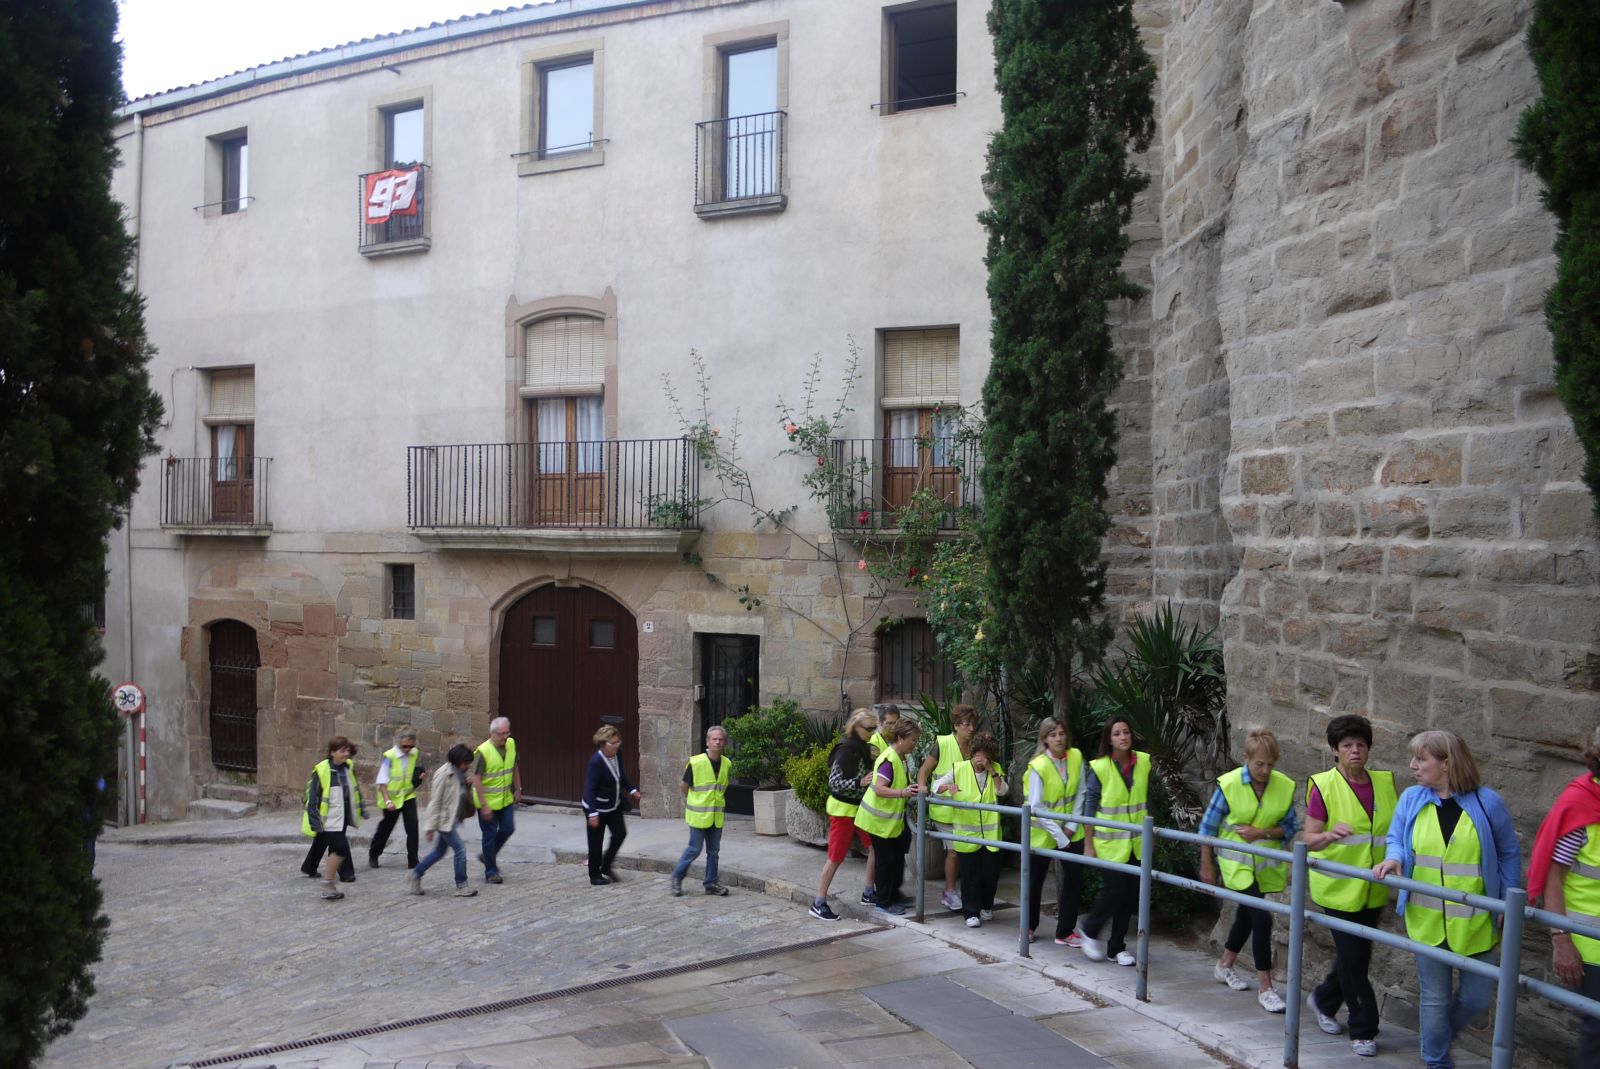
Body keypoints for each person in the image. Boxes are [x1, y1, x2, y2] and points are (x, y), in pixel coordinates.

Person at [1374, 731, 1521, 1069]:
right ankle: (1436, 1060)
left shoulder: (1487, 803)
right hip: (1426, 919)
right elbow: (1397, 837)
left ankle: (1437, 1040)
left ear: (1447, 763)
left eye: (1421, 759)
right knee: (1435, 999)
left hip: (1477, 920)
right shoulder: (1411, 798)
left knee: (1477, 999)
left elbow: (1509, 853)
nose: (1413, 766)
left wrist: (1507, 901)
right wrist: (1394, 858)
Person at [1301, 714, 1396, 1058]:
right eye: (1347, 745)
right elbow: (1308, 839)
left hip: (1373, 888)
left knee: (1357, 956)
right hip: (1338, 889)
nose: (1355, 750)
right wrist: (1329, 835)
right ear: (1334, 750)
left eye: (1360, 744)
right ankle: (1363, 1028)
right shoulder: (1323, 786)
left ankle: (1324, 1000)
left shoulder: (1385, 783)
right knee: (1354, 959)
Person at [1199, 727, 1298, 1015]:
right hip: (1236, 864)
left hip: (1263, 865)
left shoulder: (1283, 785)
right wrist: (1207, 863)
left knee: (1247, 914)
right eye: (1259, 764)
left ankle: (1225, 964)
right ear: (1246, 759)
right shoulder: (1229, 785)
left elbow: (1290, 826)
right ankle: (1266, 987)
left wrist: (1262, 832)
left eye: (1270, 765)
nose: (1265, 770)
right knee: (1262, 919)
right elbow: (1207, 828)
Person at [1526, 725, 1600, 1069]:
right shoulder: (1580, 805)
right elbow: (1552, 875)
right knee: (1597, 1031)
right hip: (1592, 944)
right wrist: (1561, 940)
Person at [1078, 717, 1148, 966]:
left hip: (1136, 842)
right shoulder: (1099, 767)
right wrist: (1088, 843)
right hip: (1109, 843)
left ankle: (1116, 947)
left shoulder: (1143, 762)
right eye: (1117, 733)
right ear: (1109, 739)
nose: (1123, 737)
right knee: (1114, 890)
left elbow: (1146, 800)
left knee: (1129, 896)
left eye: (1126, 732)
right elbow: (1090, 806)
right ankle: (1090, 929)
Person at [810, 708, 879, 920]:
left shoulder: (863, 748)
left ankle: (868, 892)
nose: (872, 732)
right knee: (835, 857)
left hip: (859, 808)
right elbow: (834, 782)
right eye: (869, 728)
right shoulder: (846, 750)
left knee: (875, 847)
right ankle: (818, 902)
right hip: (843, 810)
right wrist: (860, 782)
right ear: (857, 727)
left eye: (874, 728)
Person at [1025, 716, 1087, 947]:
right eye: (1053, 735)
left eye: (1061, 733)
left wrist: (1071, 826)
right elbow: (1036, 806)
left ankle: (1065, 932)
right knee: (1034, 882)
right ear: (1045, 739)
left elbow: (1081, 792)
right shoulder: (1038, 766)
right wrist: (1060, 835)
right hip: (1042, 833)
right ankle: (1028, 927)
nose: (1059, 738)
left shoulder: (1076, 756)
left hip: (1071, 830)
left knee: (1075, 880)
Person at [934, 732, 1007, 928]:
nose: (980, 759)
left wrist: (991, 770)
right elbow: (936, 786)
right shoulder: (959, 768)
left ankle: (986, 905)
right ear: (972, 753)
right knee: (970, 876)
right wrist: (947, 787)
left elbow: (1002, 791)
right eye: (977, 754)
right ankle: (970, 912)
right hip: (966, 833)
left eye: (985, 755)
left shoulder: (995, 769)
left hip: (991, 834)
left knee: (990, 875)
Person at [853, 718, 923, 917]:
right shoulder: (889, 760)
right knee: (886, 861)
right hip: (878, 821)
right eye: (913, 740)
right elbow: (880, 789)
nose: (915, 744)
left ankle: (892, 896)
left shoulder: (900, 758)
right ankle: (883, 902)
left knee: (895, 858)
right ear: (900, 738)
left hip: (889, 821)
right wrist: (903, 792)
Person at [919, 704, 979, 912]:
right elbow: (924, 771)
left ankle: (967, 893)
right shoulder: (943, 743)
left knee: (967, 852)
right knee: (954, 851)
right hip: (944, 809)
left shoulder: (974, 747)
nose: (971, 728)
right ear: (956, 725)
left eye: (973, 724)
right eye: (967, 724)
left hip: (966, 810)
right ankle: (949, 892)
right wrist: (922, 789)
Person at [301, 736, 366, 901]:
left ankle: (313, 870)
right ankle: (333, 881)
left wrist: (362, 808)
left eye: (347, 750)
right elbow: (313, 799)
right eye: (342, 751)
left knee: (329, 844)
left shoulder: (348, 767)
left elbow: (354, 789)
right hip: (328, 820)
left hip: (342, 816)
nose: (346, 754)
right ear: (332, 752)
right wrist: (315, 823)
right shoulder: (322, 770)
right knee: (341, 848)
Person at [408, 743, 477, 897]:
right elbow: (435, 801)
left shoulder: (460, 774)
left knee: (439, 852)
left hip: (452, 820)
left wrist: (467, 787)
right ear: (458, 761)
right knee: (460, 849)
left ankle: (416, 874)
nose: (468, 766)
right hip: (444, 821)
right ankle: (462, 885)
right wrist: (430, 826)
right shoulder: (444, 774)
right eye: (466, 762)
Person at [671, 725, 733, 896]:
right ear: (707, 742)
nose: (717, 742)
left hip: (716, 816)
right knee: (694, 849)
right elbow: (684, 786)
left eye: (721, 739)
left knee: (713, 852)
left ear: (724, 743)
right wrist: (694, 800)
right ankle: (677, 877)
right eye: (714, 739)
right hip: (698, 815)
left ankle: (711, 883)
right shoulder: (696, 762)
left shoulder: (727, 764)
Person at [582, 724, 640, 886]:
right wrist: (592, 813)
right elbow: (590, 789)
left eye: (618, 742)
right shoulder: (596, 762)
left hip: (613, 805)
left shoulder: (617, 754)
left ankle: (606, 865)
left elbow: (620, 775)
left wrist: (632, 790)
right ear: (603, 744)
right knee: (596, 843)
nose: (616, 746)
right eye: (612, 743)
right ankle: (595, 875)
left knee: (620, 834)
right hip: (596, 807)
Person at [469, 716, 521, 885]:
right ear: (492, 733)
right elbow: (476, 779)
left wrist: (518, 789)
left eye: (507, 732)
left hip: (505, 799)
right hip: (487, 803)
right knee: (489, 836)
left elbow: (514, 766)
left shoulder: (511, 744)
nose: (505, 736)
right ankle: (491, 872)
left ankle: (487, 856)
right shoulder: (483, 752)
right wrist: (484, 806)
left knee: (508, 828)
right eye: (501, 734)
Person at [861, 703, 901, 905]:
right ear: (880, 722)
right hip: (876, 807)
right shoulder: (875, 744)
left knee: (880, 853)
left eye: (895, 723)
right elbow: (871, 775)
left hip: (887, 809)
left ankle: (881, 891)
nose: (892, 727)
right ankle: (870, 891)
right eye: (889, 723)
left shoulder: (895, 741)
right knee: (876, 852)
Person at [368, 727, 426, 869]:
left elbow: (411, 773)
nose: (408, 749)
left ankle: (413, 861)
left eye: (411, 746)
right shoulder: (389, 756)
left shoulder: (414, 753)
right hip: (392, 799)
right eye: (405, 746)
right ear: (399, 743)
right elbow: (382, 781)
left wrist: (419, 777)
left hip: (407, 796)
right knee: (386, 829)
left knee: (413, 828)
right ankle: (374, 854)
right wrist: (388, 801)